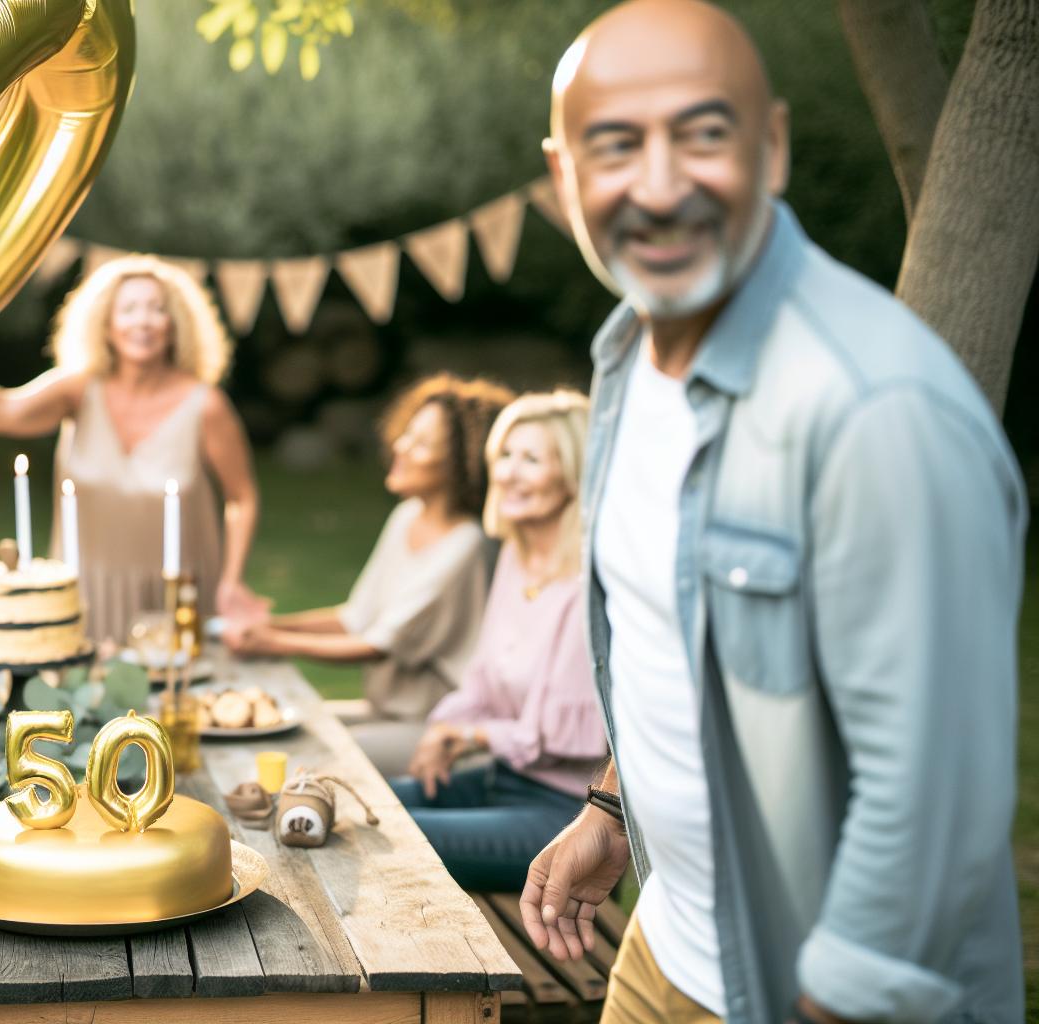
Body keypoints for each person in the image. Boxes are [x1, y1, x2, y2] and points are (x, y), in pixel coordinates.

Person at [520, 3, 1025, 1022]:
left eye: (702, 135)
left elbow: (932, 805)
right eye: (614, 145)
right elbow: (675, 636)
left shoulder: (878, 411)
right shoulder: (626, 359)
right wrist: (613, 808)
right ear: (563, 174)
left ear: (773, 147)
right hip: (665, 943)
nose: (658, 184)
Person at [0, 254, 266, 644]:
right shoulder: (78, 389)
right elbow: (6, 410)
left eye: (156, 309)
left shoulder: (206, 406)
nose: (142, 321)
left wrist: (231, 580)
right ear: (105, 325)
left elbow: (242, 498)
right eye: (128, 310)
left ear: (174, 325)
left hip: (178, 592)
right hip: (87, 591)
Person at [223, 374, 511, 777]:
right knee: (277, 733)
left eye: (422, 444)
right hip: (386, 710)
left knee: (303, 761)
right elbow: (356, 616)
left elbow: (377, 644)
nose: (400, 447)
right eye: (407, 434)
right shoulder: (408, 514)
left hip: (437, 726)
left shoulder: (466, 544)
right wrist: (267, 625)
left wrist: (271, 642)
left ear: (462, 464)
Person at [389, 390, 606, 892]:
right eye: (505, 455)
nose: (507, 472)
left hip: (564, 816)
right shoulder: (515, 557)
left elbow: (566, 736)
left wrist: (467, 737)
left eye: (531, 459)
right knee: (365, 808)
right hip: (498, 781)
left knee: (394, 837)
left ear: (574, 474)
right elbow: (482, 681)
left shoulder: (586, 583)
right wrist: (444, 726)